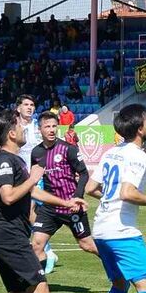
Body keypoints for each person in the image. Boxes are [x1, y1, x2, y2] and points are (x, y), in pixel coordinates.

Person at [0, 108, 87, 293]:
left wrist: (66, 202)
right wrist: (32, 178)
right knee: (41, 291)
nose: (23, 129)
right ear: (11, 134)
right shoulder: (5, 160)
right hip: (9, 237)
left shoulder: (13, 160)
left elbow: (34, 192)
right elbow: (8, 196)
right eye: (20, 126)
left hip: (4, 237)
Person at [85, 104, 146, 293]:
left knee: (119, 284)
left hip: (101, 230)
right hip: (122, 232)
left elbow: (90, 188)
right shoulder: (137, 156)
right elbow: (127, 192)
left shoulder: (111, 152)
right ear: (140, 128)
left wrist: (109, 200)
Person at [31, 112, 98, 273]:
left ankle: (118, 269)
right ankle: (39, 285)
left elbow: (83, 174)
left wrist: (77, 196)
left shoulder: (69, 149)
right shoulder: (36, 153)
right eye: (47, 126)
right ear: (40, 129)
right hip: (50, 208)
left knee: (87, 245)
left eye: (54, 126)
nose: (52, 130)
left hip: (71, 206)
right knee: (37, 245)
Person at [16, 95, 57, 270]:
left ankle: (46, 250)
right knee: (26, 213)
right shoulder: (14, 127)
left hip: (36, 175)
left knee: (30, 210)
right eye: (26, 104)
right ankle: (43, 249)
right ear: (18, 108)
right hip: (19, 175)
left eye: (32, 104)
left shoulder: (38, 126)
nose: (29, 107)